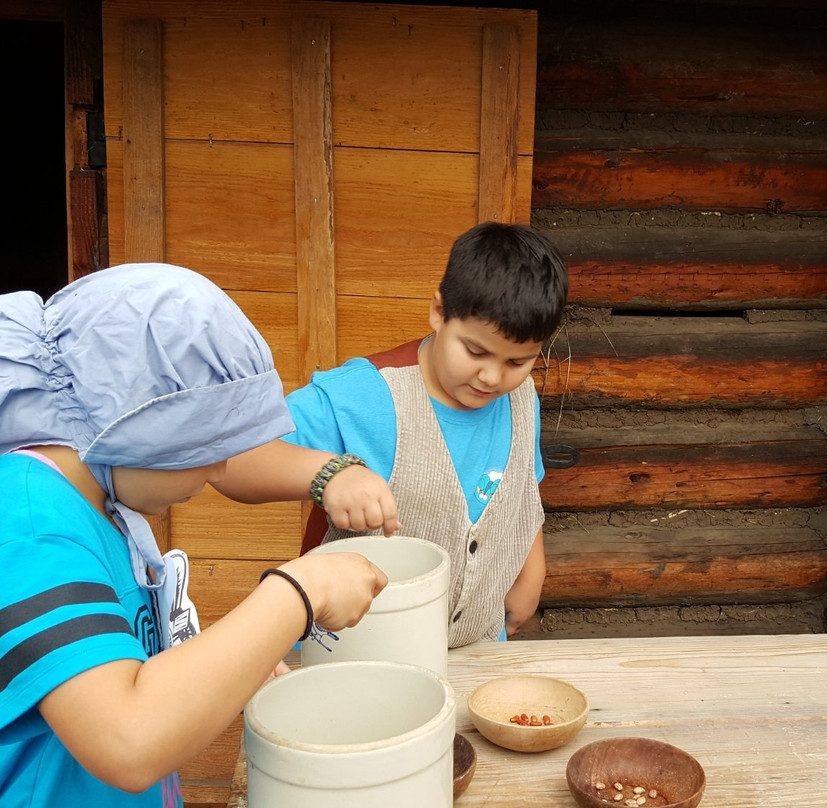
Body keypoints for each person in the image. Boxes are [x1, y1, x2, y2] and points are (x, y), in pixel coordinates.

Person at [0, 264, 388, 807]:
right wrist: (301, 592)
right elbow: (127, 738)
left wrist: (231, 665)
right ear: (141, 430)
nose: (222, 472)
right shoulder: (30, 526)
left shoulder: (98, 504)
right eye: (209, 446)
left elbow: (128, 670)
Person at [219, 221, 568, 646]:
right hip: (353, 659)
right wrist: (330, 473)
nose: (492, 376)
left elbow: (519, 491)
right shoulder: (360, 395)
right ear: (439, 312)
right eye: (475, 351)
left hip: (475, 651)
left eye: (519, 362)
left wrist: (531, 573)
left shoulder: (521, 398)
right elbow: (228, 462)